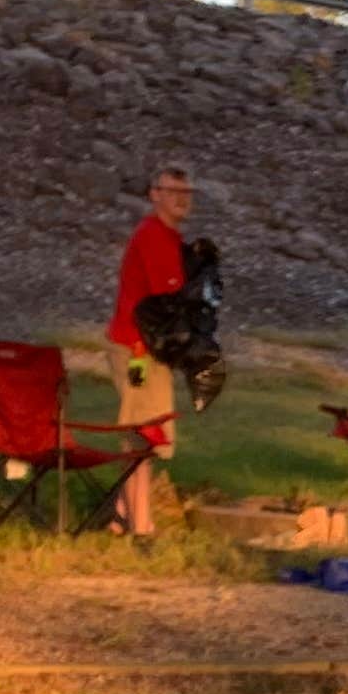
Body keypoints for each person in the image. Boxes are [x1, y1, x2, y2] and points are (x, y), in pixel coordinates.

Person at [106, 163, 194, 537]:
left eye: (186, 193)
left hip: (147, 350)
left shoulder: (169, 238)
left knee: (147, 430)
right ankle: (139, 526)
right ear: (154, 195)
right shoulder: (154, 236)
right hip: (137, 350)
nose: (181, 199)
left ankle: (123, 513)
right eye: (171, 191)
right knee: (143, 433)